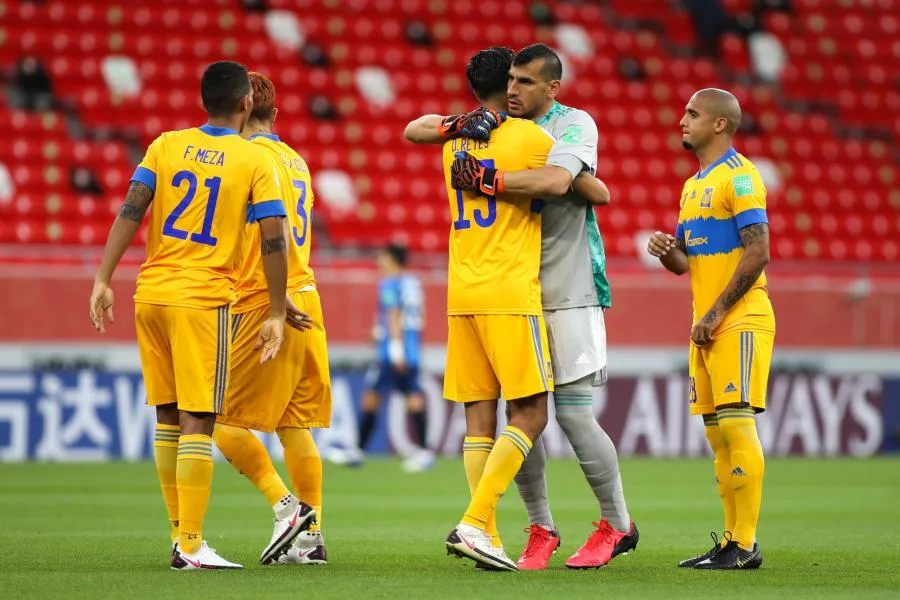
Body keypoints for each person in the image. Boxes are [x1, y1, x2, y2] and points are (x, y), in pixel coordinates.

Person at [405, 43, 636, 570]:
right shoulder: (489, 127)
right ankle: (539, 528)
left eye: (526, 82)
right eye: (510, 80)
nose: (514, 90)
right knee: (522, 415)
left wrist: (490, 179)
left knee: (573, 418)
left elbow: (576, 186)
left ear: (551, 88)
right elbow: (417, 129)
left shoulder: (572, 125)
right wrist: (463, 123)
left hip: (569, 287)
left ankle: (617, 522)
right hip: (517, 293)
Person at [88, 61, 288, 570]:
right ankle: (193, 546)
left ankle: (180, 536)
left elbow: (132, 208)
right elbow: (272, 238)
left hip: (150, 294)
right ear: (247, 103)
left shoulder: (165, 144)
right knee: (200, 419)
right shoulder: (254, 159)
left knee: (168, 415)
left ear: (205, 102)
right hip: (201, 299)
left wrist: (103, 278)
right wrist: (276, 309)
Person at [438, 47, 555, 572]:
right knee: (531, 414)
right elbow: (575, 185)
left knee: (477, 423)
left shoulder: (454, 142)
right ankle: (475, 520)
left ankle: (486, 535)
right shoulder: (532, 139)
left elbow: (416, 129)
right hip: (509, 292)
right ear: (509, 85)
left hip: (461, 293)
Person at [646, 88, 772, 570]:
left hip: (737, 319)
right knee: (718, 436)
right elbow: (685, 264)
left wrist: (716, 314)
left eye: (693, 114)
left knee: (738, 425)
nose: (683, 120)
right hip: (706, 323)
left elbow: (758, 251)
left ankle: (745, 543)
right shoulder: (692, 185)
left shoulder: (739, 178)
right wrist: (666, 251)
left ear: (719, 125)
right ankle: (731, 542)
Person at [213, 72, 332, 566]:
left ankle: (286, 508)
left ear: (240, 111)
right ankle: (313, 538)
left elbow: (266, 233)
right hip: (308, 292)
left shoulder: (246, 160)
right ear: (274, 114)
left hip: (269, 298)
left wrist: (274, 306)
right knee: (293, 421)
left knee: (219, 420)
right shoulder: (296, 161)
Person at [354, 243, 431, 472]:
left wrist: (395, 348)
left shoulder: (390, 283)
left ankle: (357, 450)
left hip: (393, 354)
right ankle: (424, 452)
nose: (380, 262)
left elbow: (394, 315)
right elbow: (415, 319)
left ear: (392, 260)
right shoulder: (413, 284)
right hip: (412, 350)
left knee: (371, 397)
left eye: (383, 257)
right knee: (413, 397)